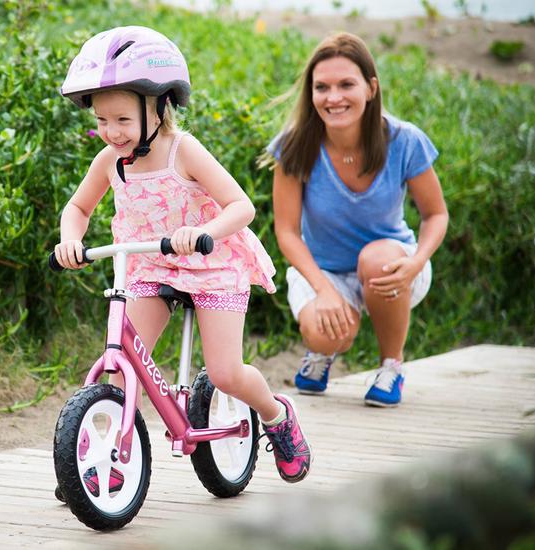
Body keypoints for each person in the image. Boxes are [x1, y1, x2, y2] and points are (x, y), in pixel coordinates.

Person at [54, 26, 311, 485]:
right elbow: (78, 207)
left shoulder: (183, 150)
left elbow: (242, 207)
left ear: (158, 107)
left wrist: (202, 232)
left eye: (122, 121)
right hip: (150, 262)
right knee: (121, 364)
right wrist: (70, 239)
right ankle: (95, 463)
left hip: (211, 264)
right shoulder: (109, 161)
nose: (111, 133)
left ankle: (276, 415)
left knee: (226, 373)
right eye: (102, 120)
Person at [268, 32, 448, 407]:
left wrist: (416, 262)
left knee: (378, 259)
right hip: (324, 271)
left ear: (370, 88)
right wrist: (324, 289)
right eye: (322, 87)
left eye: (346, 84)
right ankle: (321, 355)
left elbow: (435, 215)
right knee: (324, 332)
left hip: (393, 266)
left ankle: (391, 366)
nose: (333, 98)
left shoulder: (404, 140)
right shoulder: (295, 145)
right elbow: (286, 232)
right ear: (311, 93)